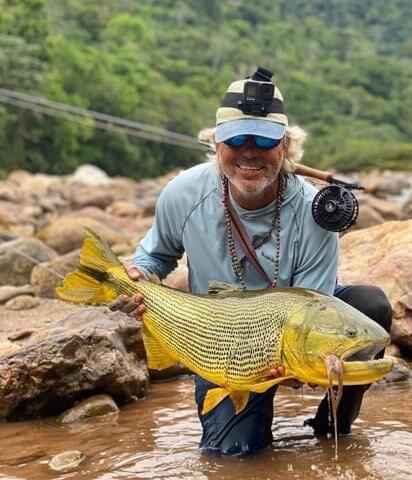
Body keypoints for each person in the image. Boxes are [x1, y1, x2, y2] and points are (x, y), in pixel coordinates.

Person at [119, 67, 392, 457]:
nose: (250, 152)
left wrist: (296, 368)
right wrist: (138, 277)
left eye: (264, 141)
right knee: (234, 456)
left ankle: (332, 429)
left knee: (370, 307)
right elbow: (156, 256)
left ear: (285, 147)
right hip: (217, 340)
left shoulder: (314, 212)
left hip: (286, 331)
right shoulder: (183, 193)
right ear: (217, 144)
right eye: (237, 139)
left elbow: (310, 309)